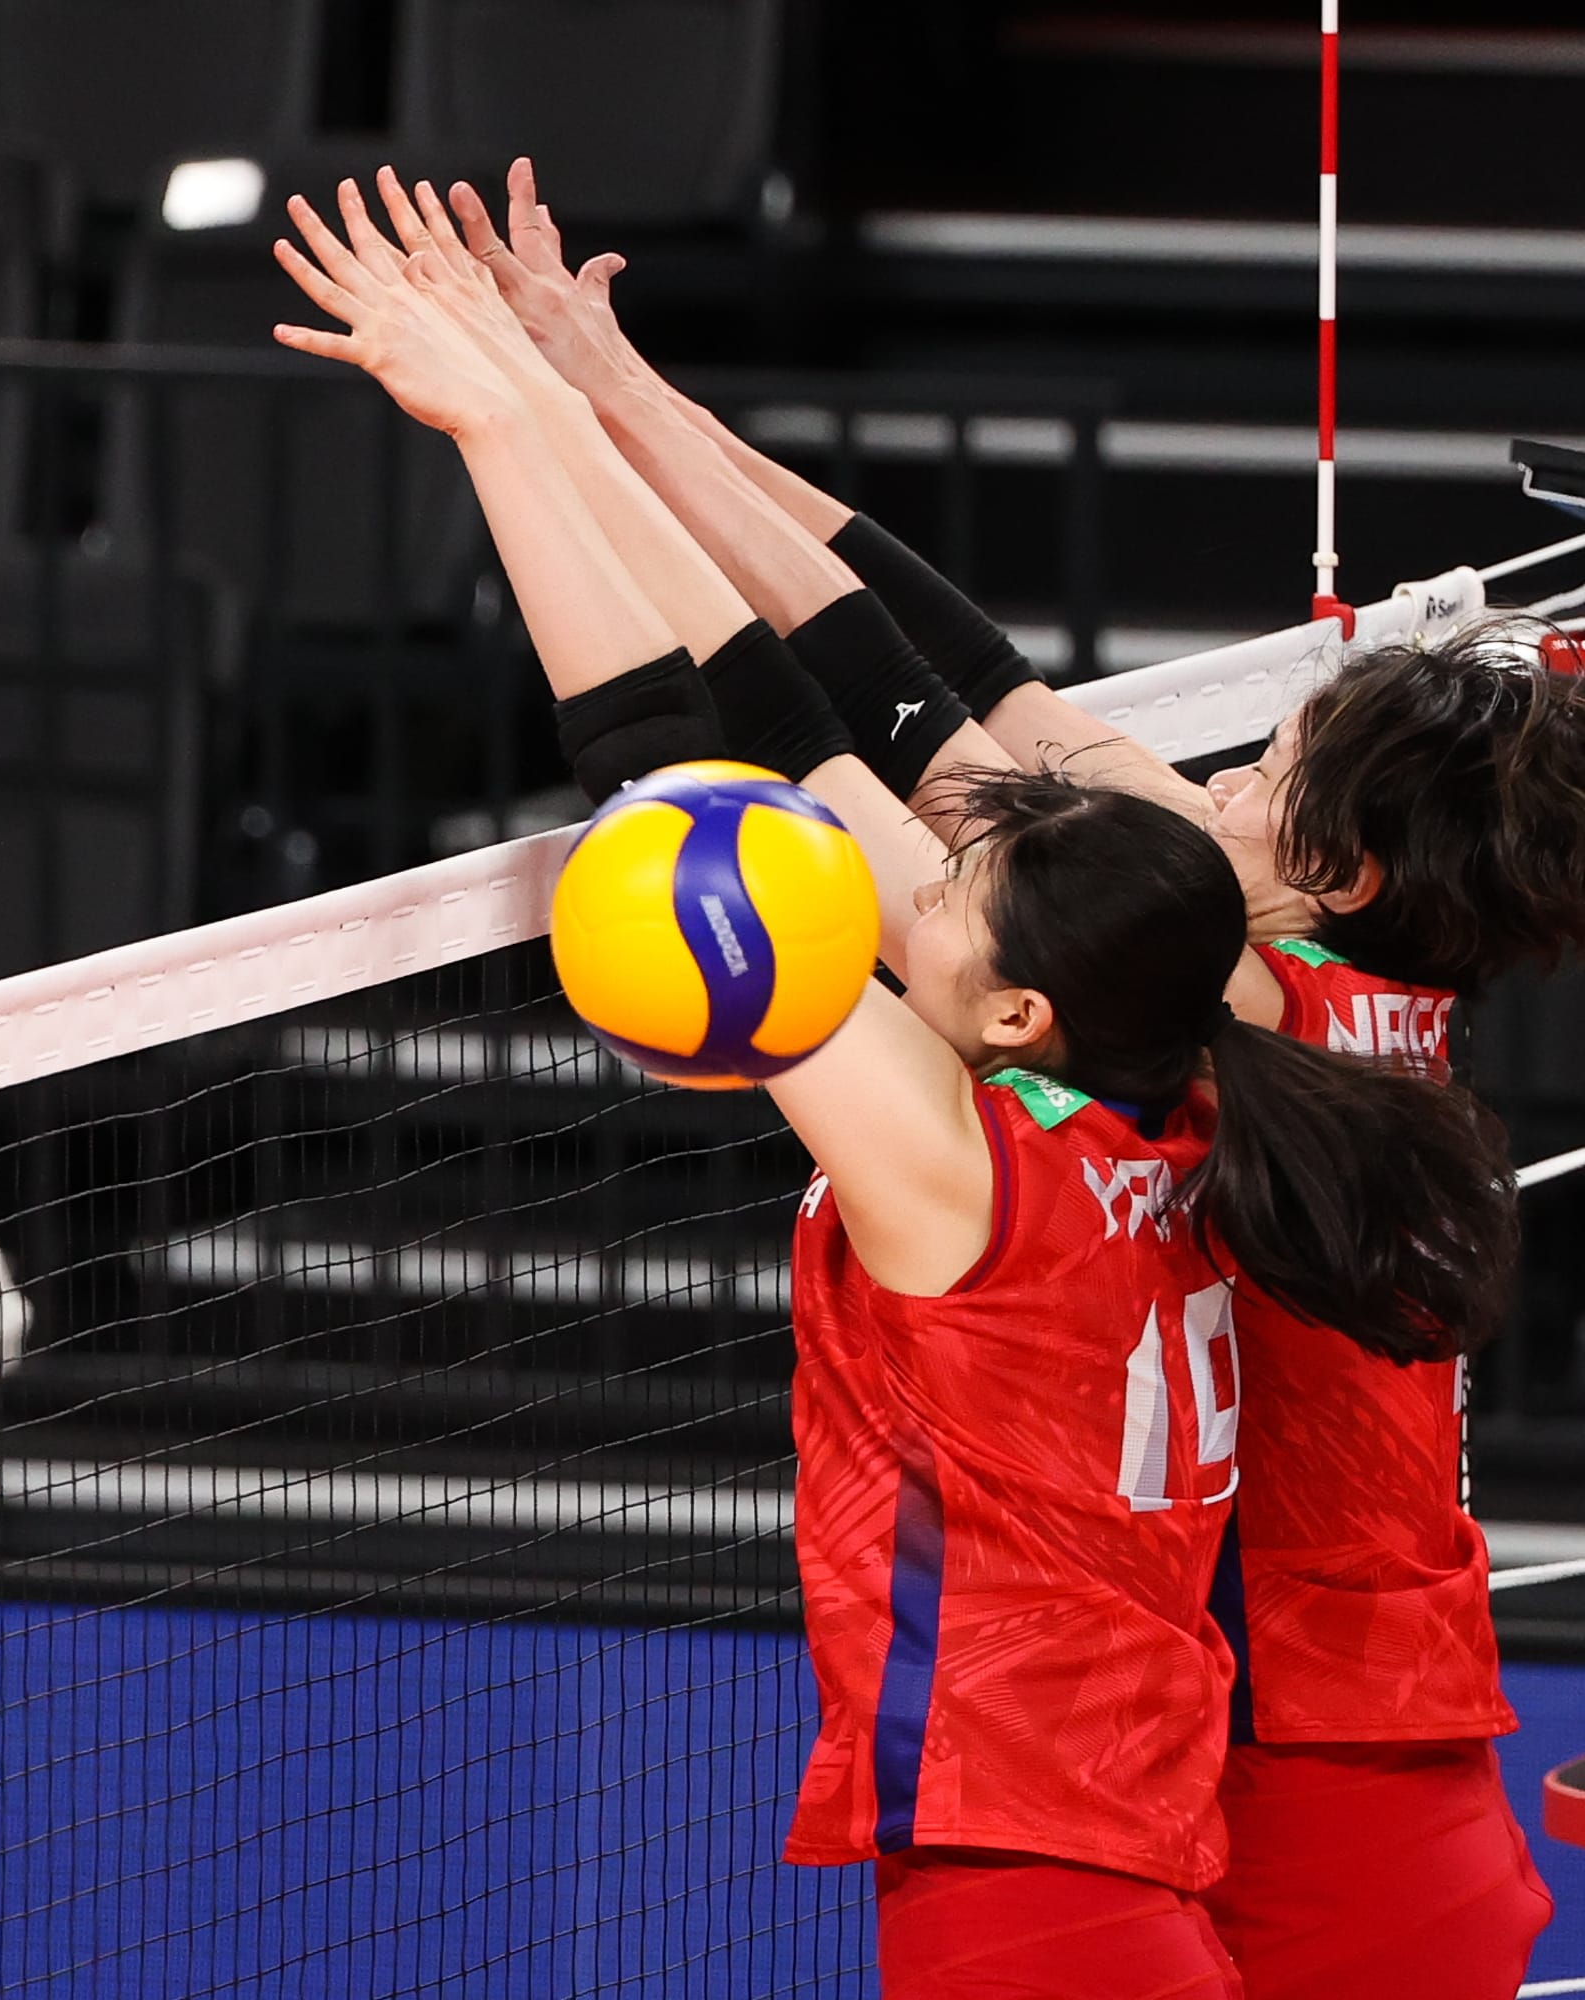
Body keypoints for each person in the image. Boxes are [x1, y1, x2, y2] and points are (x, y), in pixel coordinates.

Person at [271, 171, 1527, 1997]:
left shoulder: (1110, 1098)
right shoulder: (1260, 1045)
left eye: (1264, 770)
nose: (1215, 775)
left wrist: (525, 421)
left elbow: (742, 774)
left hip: (1188, 1848)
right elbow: (906, 704)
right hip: (1246, 1824)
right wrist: (597, 403)